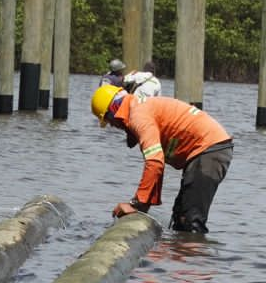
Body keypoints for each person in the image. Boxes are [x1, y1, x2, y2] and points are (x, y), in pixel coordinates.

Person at [91, 84, 233, 233]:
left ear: (113, 111)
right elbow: (157, 164)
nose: (113, 126)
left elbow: (154, 162)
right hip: (206, 150)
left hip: (209, 149)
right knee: (180, 218)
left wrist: (136, 205)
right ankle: (183, 252)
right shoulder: (139, 107)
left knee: (191, 220)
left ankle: (195, 253)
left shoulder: (138, 116)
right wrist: (144, 206)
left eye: (109, 120)